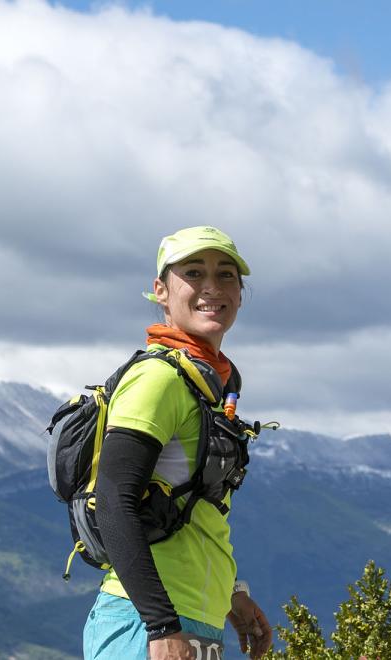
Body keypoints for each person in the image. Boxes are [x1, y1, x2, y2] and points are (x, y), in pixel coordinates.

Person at [83, 226, 273, 660]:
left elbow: (196, 511)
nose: (212, 287)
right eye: (193, 273)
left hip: (190, 620)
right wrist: (161, 626)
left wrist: (232, 594)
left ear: (240, 294)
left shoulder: (208, 383)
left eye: (226, 275)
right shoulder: (158, 379)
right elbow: (112, 500)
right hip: (145, 624)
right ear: (161, 292)